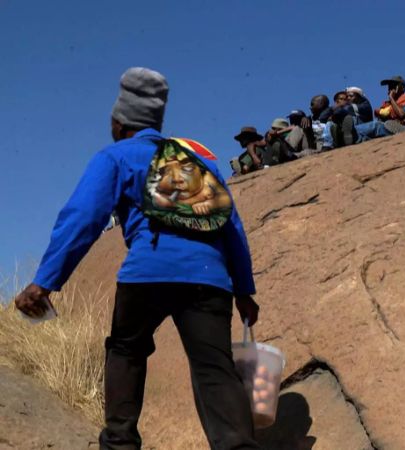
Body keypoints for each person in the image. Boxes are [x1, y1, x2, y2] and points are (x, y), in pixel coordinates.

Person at [14, 67, 261, 449]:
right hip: (209, 278)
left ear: (119, 121)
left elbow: (82, 218)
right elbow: (233, 228)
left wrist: (46, 280)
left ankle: (119, 442)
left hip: (149, 271)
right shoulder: (197, 161)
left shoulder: (116, 156)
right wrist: (243, 290)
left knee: (127, 350)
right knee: (215, 368)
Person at [356, 76, 405, 142]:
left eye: (393, 86)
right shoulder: (387, 104)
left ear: (402, 88)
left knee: (376, 126)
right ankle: (352, 136)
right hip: (386, 128)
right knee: (366, 135)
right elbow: (379, 116)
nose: (390, 89)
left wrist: (391, 98)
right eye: (389, 87)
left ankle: (353, 132)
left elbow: (402, 114)